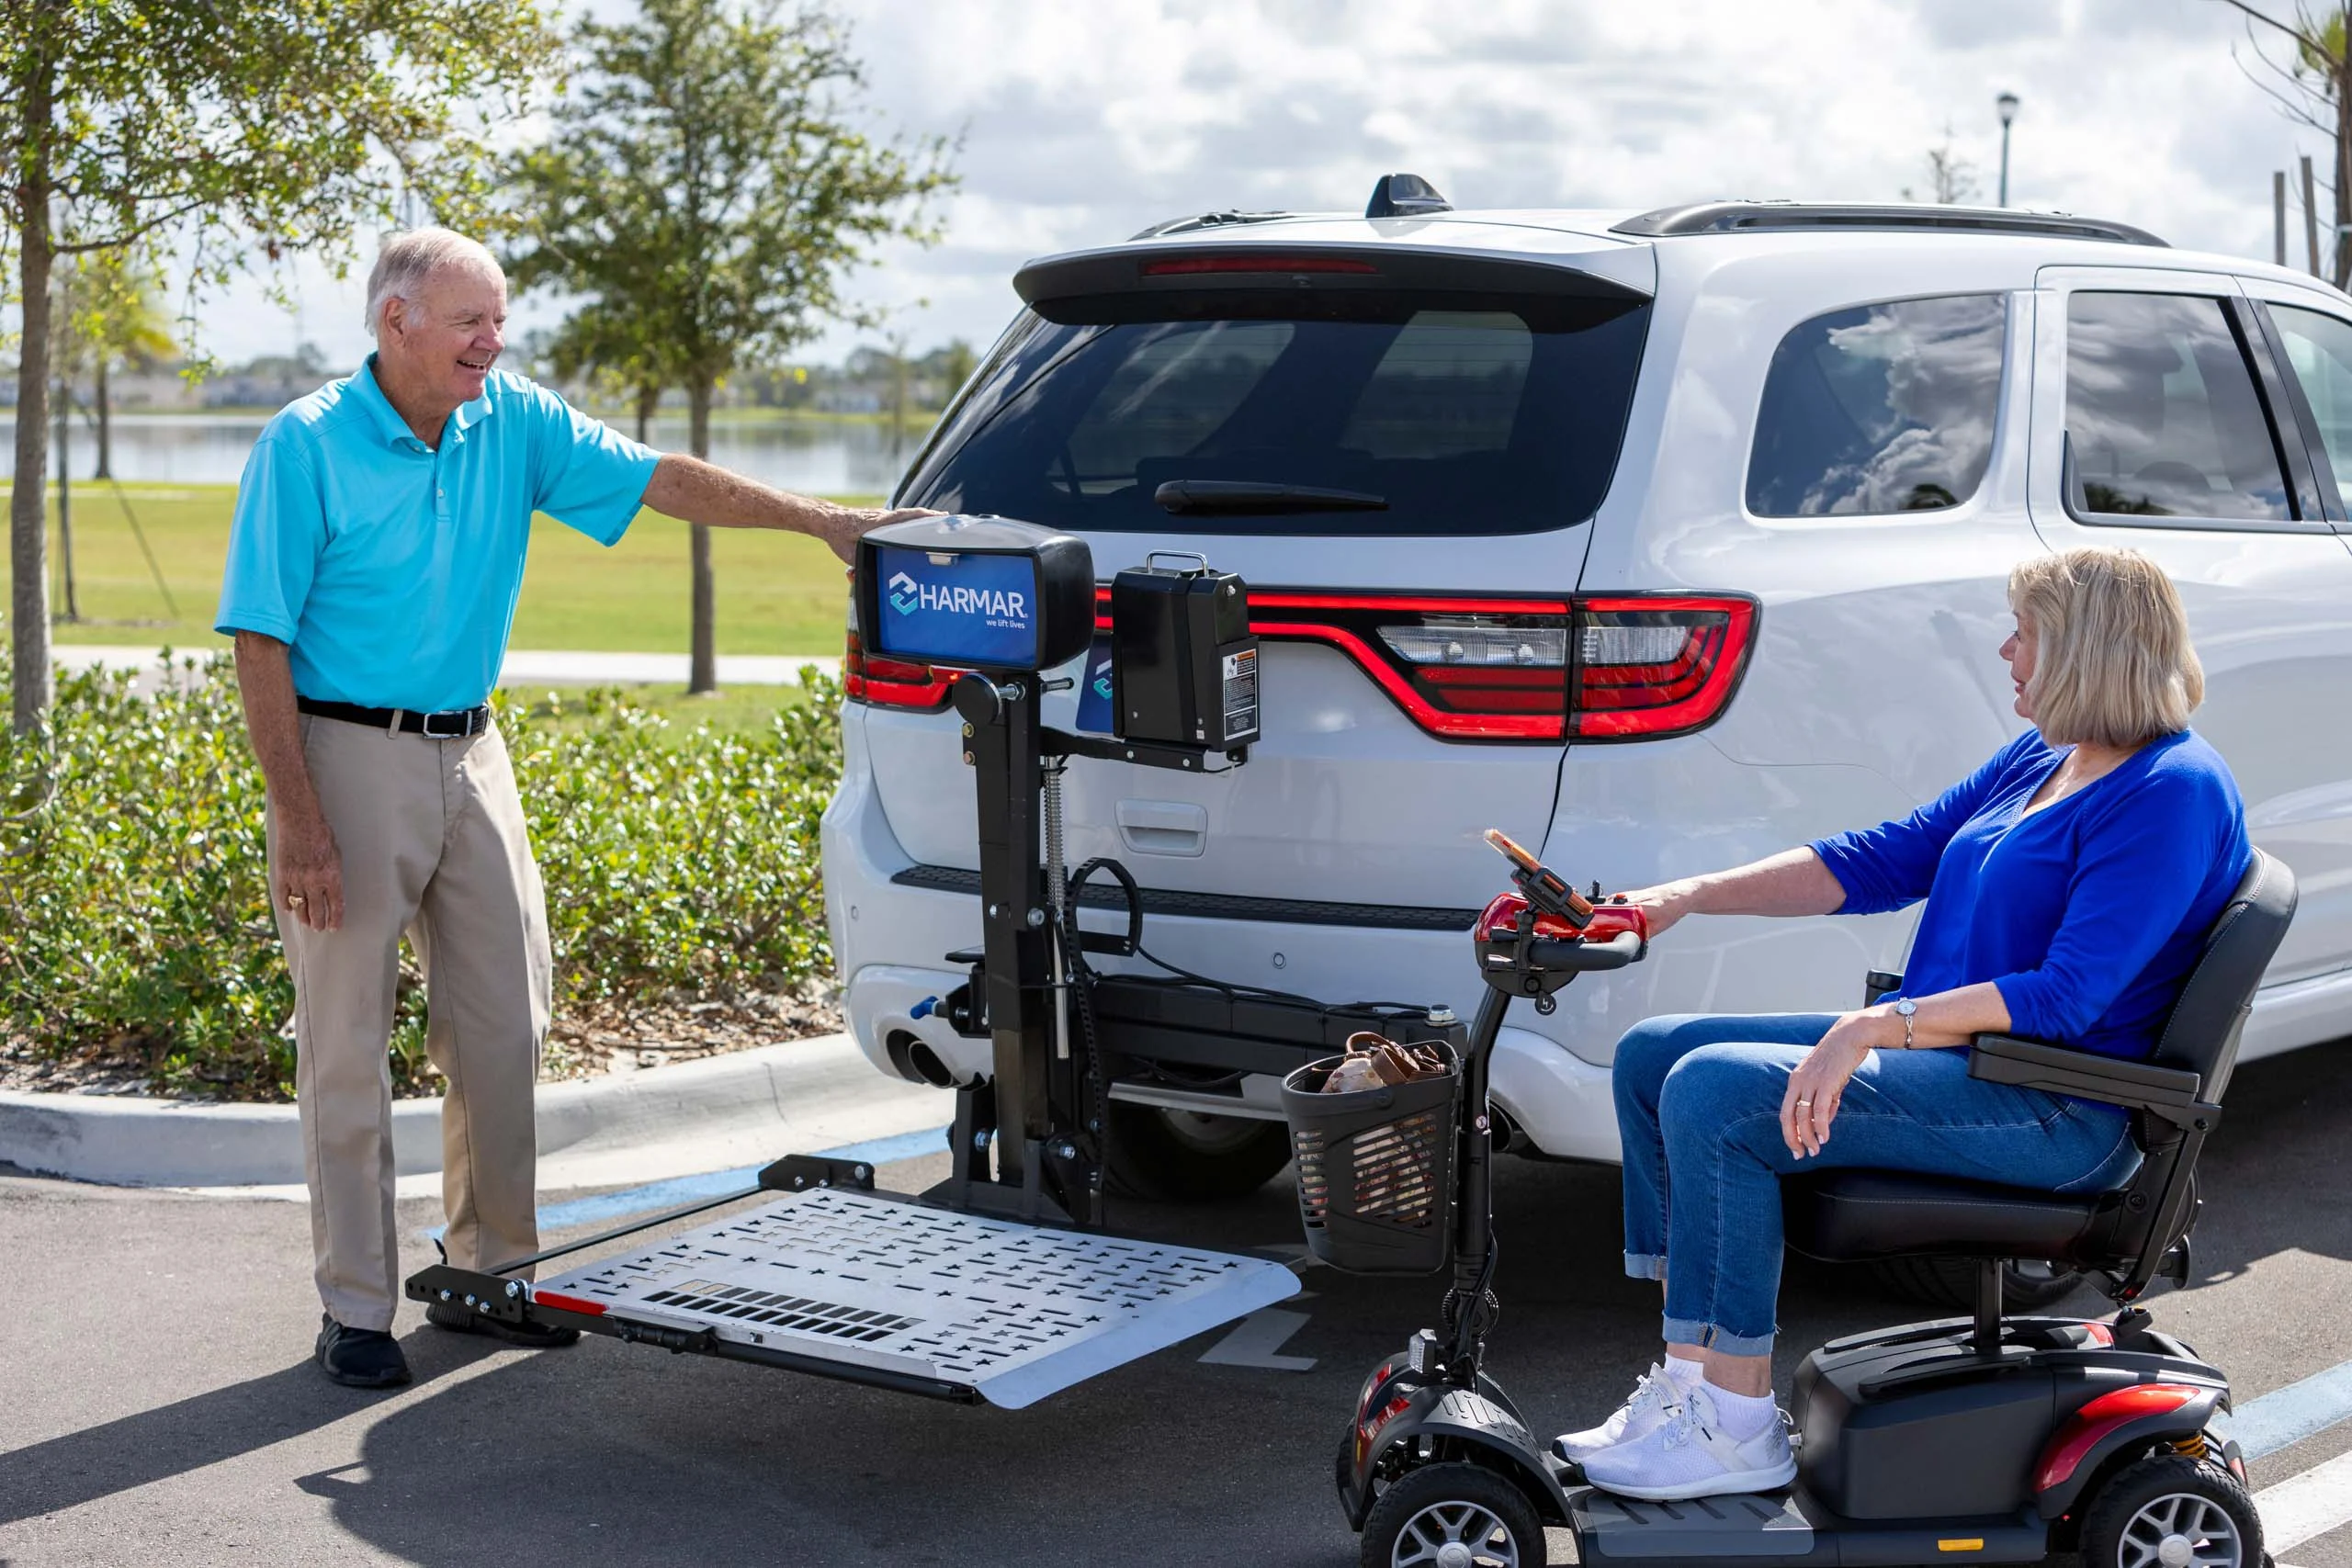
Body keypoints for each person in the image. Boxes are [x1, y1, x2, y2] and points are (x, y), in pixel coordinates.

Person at [216, 228, 928, 1390]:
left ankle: (490, 1272)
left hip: (471, 752)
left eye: (499, 321)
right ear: (395, 323)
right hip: (341, 753)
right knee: (347, 1045)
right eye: (470, 323)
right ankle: (353, 1307)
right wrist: (299, 819)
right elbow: (259, 640)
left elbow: (661, 479)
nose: (492, 342)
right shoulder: (304, 446)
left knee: (504, 1023)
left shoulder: (514, 421)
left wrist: (822, 522)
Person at [1556, 546, 2250, 1501]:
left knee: (1715, 1091)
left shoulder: (2170, 792)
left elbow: (2064, 997)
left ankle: (1735, 1419)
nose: (2006, 651)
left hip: (2054, 1109)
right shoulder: (2051, 752)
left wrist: (1877, 1025)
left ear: (2087, 649)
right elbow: (1887, 857)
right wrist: (1683, 896)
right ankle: (1690, 1386)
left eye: (2027, 634)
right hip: (1975, 1063)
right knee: (1652, 1053)